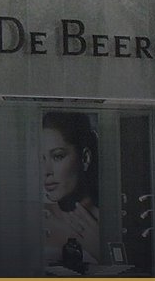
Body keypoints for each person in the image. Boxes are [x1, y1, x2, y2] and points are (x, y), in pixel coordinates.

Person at [41, 111, 100, 266]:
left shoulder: (108, 221)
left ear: (85, 158)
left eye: (57, 156)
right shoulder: (32, 218)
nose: (46, 171)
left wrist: (100, 251)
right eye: (41, 159)